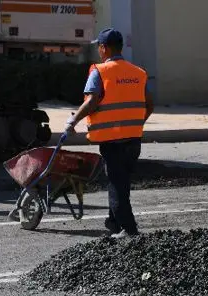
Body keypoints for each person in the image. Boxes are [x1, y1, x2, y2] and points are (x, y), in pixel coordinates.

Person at [65, 28, 154, 239]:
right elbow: (149, 105)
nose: (98, 50)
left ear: (104, 48)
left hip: (112, 140)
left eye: (99, 47)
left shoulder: (100, 71)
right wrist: (135, 123)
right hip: (133, 139)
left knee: (116, 184)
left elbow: (92, 102)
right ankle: (113, 222)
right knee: (122, 182)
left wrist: (72, 120)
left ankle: (129, 229)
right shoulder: (138, 72)